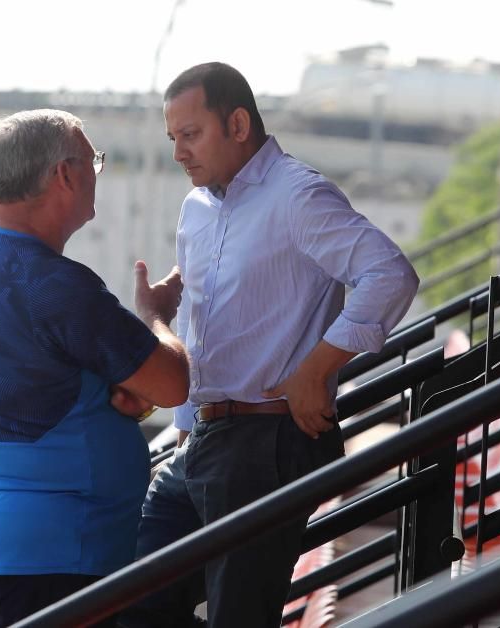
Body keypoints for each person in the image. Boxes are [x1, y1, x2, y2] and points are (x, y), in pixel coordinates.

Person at [122, 63, 419, 628]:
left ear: (237, 123)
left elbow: (389, 274)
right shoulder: (197, 209)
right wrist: (186, 419)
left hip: (266, 444)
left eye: (191, 135)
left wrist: (317, 369)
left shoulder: (298, 194)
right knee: (134, 603)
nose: (179, 153)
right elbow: (202, 319)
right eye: (172, 139)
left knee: (238, 618)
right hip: (203, 440)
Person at [0, 109, 190, 628]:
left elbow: (41, 385)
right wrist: (155, 318)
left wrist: (115, 391)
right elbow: (171, 383)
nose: (96, 174)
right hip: (53, 560)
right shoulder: (57, 286)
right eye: (93, 161)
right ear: (64, 174)